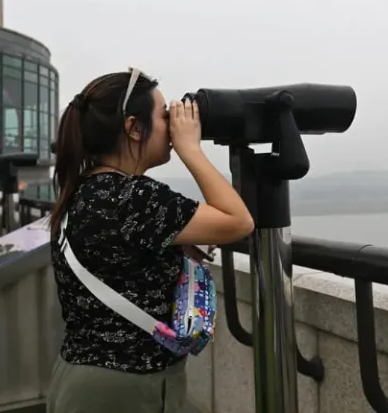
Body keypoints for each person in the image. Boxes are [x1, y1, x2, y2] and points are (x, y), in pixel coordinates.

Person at [46, 69, 254, 413]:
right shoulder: (135, 197)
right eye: (164, 116)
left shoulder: (83, 189)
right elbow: (239, 222)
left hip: (77, 375)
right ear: (134, 127)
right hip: (127, 388)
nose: (172, 125)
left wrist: (170, 243)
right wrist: (191, 150)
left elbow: (116, 257)